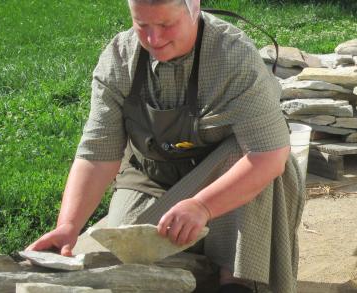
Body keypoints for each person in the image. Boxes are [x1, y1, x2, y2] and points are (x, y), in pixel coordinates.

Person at [25, 0, 305, 292]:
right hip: (151, 175)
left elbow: (269, 156)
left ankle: (235, 281)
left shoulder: (233, 56)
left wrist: (202, 206)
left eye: (166, 25)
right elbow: (97, 153)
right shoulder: (119, 59)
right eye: (142, 25)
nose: (153, 39)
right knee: (126, 260)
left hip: (226, 175)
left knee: (245, 159)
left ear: (194, 8)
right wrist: (68, 226)